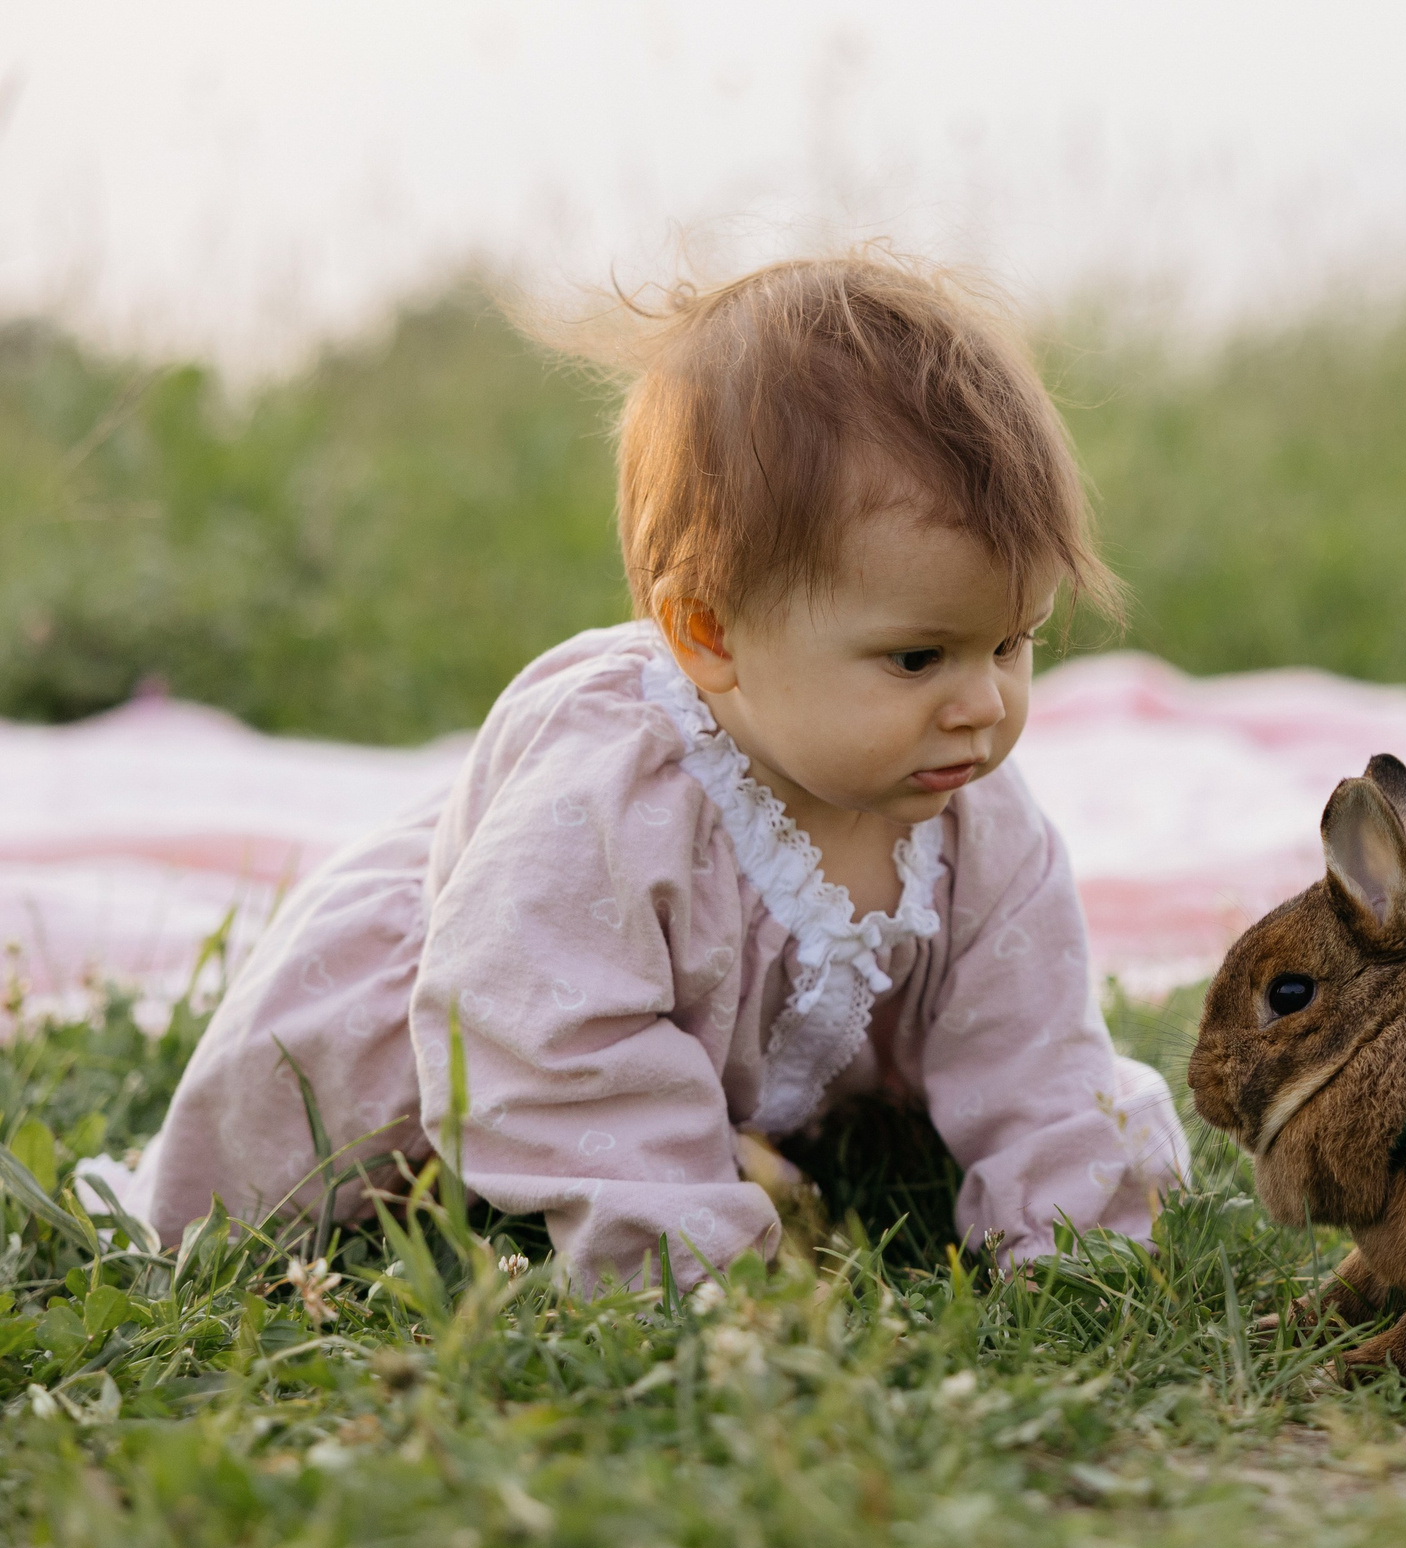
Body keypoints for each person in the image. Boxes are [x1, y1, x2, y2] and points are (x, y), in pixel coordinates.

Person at [103, 248, 1190, 1291]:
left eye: (1012, 642)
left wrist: (1076, 1233)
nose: (984, 703)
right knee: (318, 1156)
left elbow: (1035, 1040)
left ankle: (737, 1129)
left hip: (695, 1055)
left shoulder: (974, 814)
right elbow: (551, 1042)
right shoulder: (614, 794)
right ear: (707, 635)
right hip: (490, 1003)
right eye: (918, 657)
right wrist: (690, 1250)